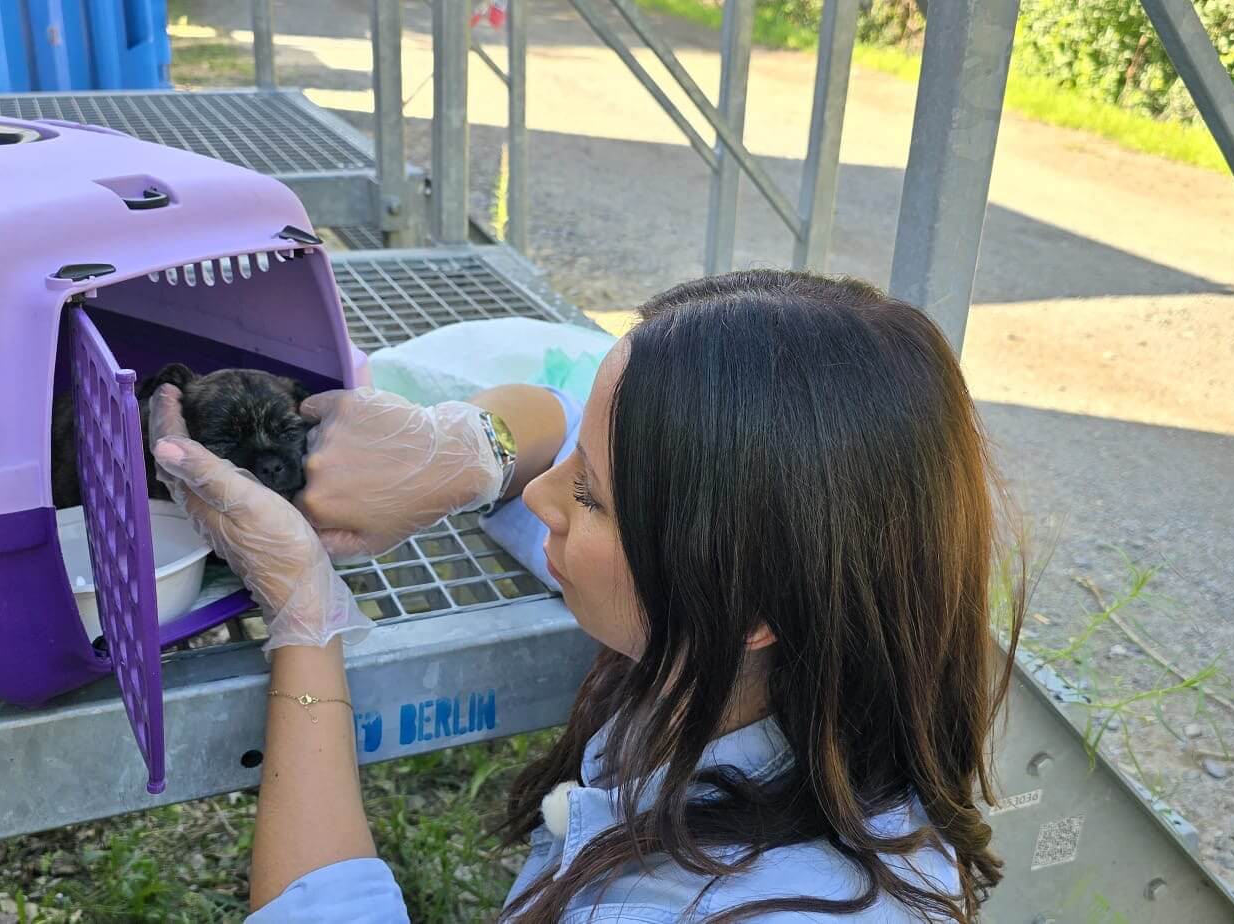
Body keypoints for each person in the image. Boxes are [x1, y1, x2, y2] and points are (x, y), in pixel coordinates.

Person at [146, 270, 1023, 923]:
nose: (540, 497)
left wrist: (306, 613)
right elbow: (557, 416)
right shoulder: (791, 676)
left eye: (591, 495)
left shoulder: (713, 906)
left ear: (749, 598)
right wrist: (471, 449)